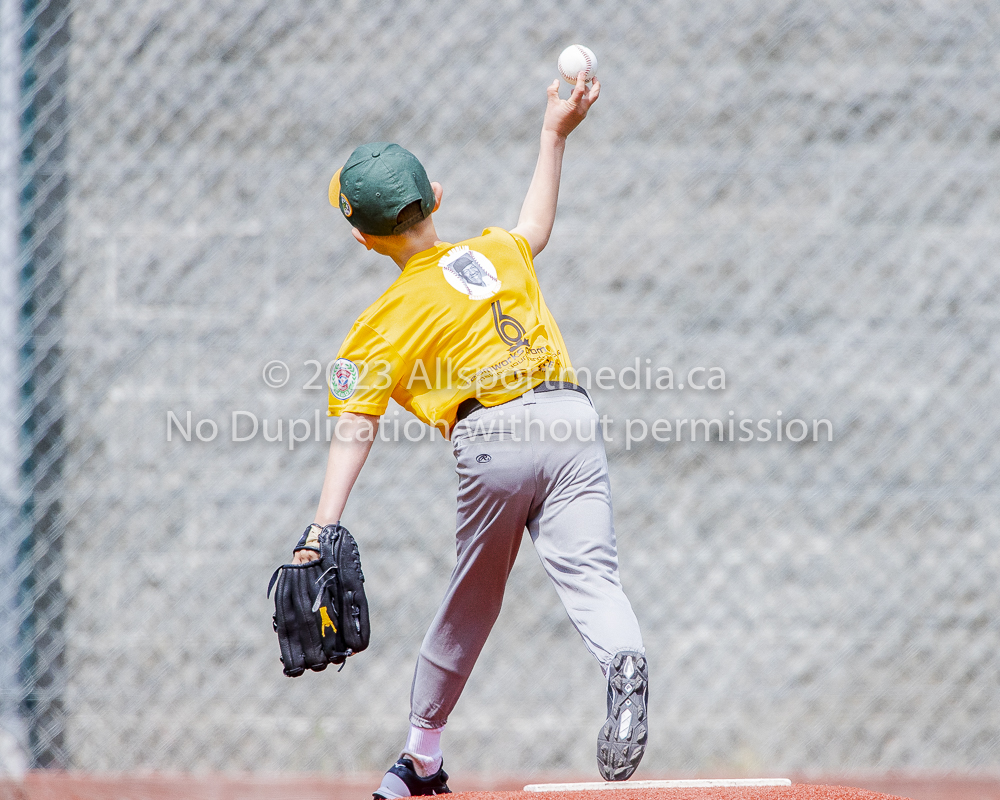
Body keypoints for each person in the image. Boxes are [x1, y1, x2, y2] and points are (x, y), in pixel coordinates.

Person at [292, 72, 647, 796]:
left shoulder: (379, 322)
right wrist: (553, 134)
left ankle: (421, 753)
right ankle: (625, 657)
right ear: (439, 198)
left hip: (494, 441)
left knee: (473, 597)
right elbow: (535, 228)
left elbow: (358, 421)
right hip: (571, 417)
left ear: (363, 238)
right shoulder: (492, 253)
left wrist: (320, 528)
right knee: (591, 573)